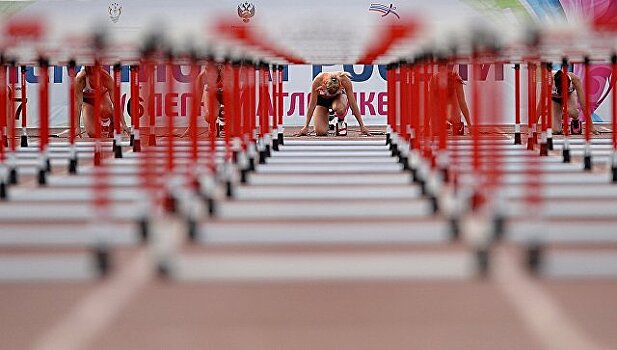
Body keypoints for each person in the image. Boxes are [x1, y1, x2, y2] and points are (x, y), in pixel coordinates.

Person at [60, 65, 129, 138]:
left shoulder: (106, 77)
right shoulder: (80, 79)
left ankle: (113, 123)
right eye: (92, 80)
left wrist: (124, 124)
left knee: (105, 109)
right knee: (92, 133)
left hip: (102, 97)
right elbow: (77, 104)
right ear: (88, 76)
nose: (94, 83)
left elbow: (116, 102)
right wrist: (77, 127)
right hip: (87, 101)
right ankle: (97, 124)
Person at [296, 71, 371, 136]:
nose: (330, 95)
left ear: (340, 87)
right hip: (322, 100)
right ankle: (329, 119)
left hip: (338, 99)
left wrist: (362, 126)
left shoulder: (344, 80)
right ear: (324, 85)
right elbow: (312, 105)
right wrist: (306, 127)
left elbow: (353, 104)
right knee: (320, 132)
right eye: (329, 93)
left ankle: (340, 119)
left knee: (339, 108)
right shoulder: (318, 81)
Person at [545, 70, 597, 135]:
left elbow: (583, 103)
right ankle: (561, 120)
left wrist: (591, 127)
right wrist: (534, 127)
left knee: (572, 112)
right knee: (555, 131)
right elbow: (540, 105)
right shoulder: (548, 81)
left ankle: (575, 120)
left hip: (569, 96)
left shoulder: (575, 79)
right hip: (554, 99)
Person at [429, 64, 472, 135]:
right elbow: (431, 103)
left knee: (456, 126)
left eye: (450, 74)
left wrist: (469, 125)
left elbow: (462, 102)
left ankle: (458, 123)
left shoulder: (457, 79)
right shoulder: (434, 79)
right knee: (435, 132)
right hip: (439, 102)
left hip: (452, 101)